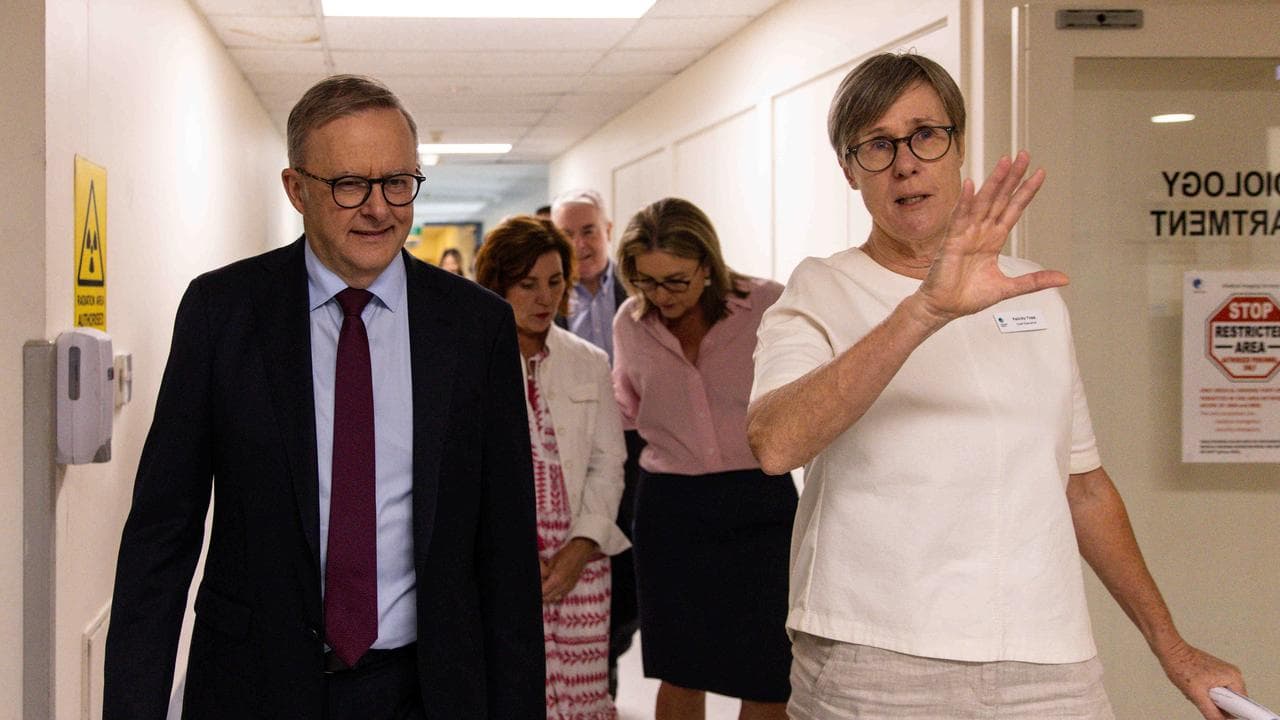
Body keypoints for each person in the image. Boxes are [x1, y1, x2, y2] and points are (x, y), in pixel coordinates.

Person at [746, 52, 1246, 720]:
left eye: (926, 134)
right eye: (876, 145)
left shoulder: (1032, 293)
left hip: (1047, 659)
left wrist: (1170, 646)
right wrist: (924, 309)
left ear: (957, 146)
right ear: (848, 169)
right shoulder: (821, 289)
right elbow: (776, 444)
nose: (905, 162)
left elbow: (1083, 486)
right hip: (879, 658)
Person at [102, 75, 545, 720]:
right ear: (296, 189)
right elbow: (162, 533)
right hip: (255, 685)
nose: (379, 209)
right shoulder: (223, 312)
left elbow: (504, 549)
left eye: (397, 182)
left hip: (426, 689)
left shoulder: (475, 328)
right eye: (348, 185)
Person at [612, 197, 794, 720]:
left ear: (708, 266)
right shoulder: (631, 322)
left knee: (766, 674)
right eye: (646, 281)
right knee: (680, 668)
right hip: (672, 509)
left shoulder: (768, 305)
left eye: (676, 280)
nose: (661, 295)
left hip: (759, 502)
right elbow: (627, 414)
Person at [475, 215, 630, 720]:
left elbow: (609, 464)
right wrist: (512, 553)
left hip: (579, 560)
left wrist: (580, 549)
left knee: (583, 698)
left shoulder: (589, 360)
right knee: (515, 692)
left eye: (555, 282)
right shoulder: (469, 364)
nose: (544, 298)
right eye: (527, 285)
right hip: (500, 562)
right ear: (497, 284)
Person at [550, 187, 641, 696]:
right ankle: (594, 668)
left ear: (608, 230)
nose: (580, 243)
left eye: (588, 230)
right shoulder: (546, 293)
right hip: (576, 456)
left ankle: (611, 648)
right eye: (568, 233)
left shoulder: (640, 289)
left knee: (626, 572)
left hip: (639, 452)